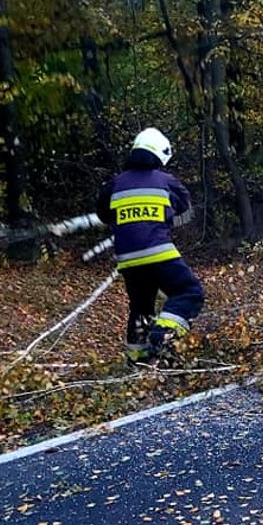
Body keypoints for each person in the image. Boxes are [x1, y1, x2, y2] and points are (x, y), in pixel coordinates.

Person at [96, 128, 205, 364]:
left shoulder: (115, 184)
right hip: (158, 250)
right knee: (189, 291)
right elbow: (184, 206)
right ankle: (163, 334)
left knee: (141, 307)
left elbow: (103, 214)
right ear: (160, 155)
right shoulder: (166, 181)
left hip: (128, 259)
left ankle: (137, 360)